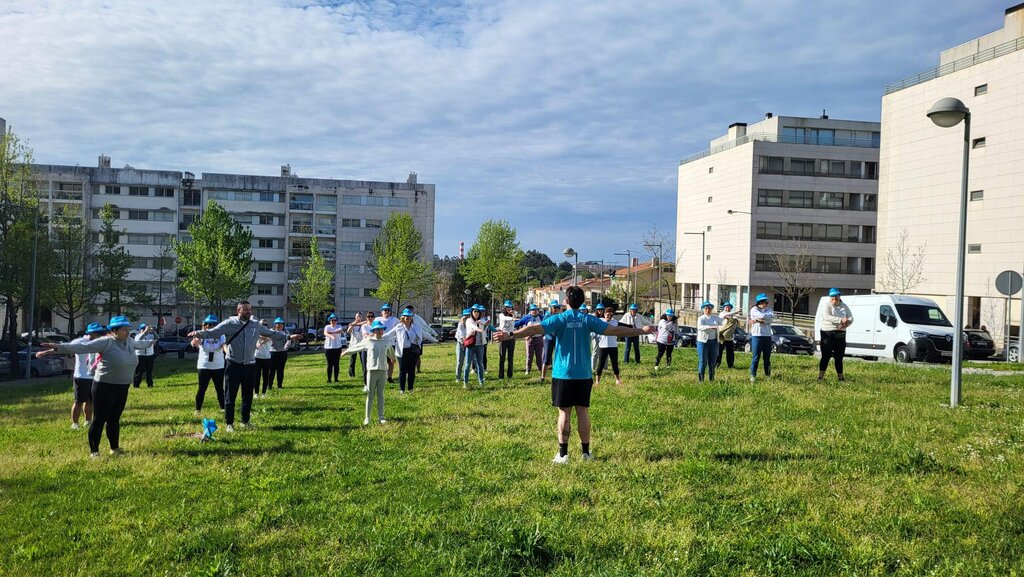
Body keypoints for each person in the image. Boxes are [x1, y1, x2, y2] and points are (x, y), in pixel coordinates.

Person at [494, 286, 655, 464]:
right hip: (583, 374)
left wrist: (510, 335)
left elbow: (533, 329)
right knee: (582, 412)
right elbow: (615, 331)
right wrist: (641, 331)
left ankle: (563, 455)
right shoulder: (588, 319)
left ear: (566, 301)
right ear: (583, 302)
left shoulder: (559, 318)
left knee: (564, 413)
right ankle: (586, 453)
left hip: (563, 374)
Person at [38, 316, 155, 457]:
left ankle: (115, 448)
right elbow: (83, 347)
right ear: (114, 331)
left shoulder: (129, 341)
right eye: (124, 329)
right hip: (104, 387)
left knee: (114, 419)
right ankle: (94, 451)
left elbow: (140, 344)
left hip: (122, 387)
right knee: (99, 419)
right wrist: (59, 347)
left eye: (128, 329)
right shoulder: (105, 342)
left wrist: (152, 341)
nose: (128, 332)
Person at [189, 301, 302, 432]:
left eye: (250, 309)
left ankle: (245, 421)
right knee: (230, 395)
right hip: (233, 364)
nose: (249, 312)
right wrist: (198, 333)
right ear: (239, 311)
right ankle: (229, 423)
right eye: (246, 310)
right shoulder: (229, 324)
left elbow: (272, 334)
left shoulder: (255, 325)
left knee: (247, 395)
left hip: (250, 366)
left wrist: (289, 336)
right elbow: (213, 332)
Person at [341, 319, 395, 425]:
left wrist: (393, 358)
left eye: (381, 329)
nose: (380, 331)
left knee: (381, 395)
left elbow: (391, 352)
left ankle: (381, 417)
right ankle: (367, 418)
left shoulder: (386, 341)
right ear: (373, 331)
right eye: (377, 330)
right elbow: (357, 347)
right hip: (371, 371)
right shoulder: (368, 341)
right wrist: (346, 351)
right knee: (370, 395)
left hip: (382, 371)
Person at [66, 323, 107, 429]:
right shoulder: (79, 342)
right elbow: (67, 350)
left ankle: (88, 421)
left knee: (90, 401)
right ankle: (75, 423)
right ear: (91, 334)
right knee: (78, 401)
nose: (100, 335)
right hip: (81, 376)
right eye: (98, 333)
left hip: (94, 376)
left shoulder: (99, 343)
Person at [388, 308, 437, 394]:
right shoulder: (399, 327)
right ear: (403, 317)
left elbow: (425, 334)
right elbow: (388, 334)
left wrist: (435, 340)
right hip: (402, 352)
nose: (407, 318)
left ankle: (410, 388)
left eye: (409, 316)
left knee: (411, 371)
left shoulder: (416, 327)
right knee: (402, 371)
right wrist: (377, 336)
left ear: (412, 317)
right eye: (406, 316)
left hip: (413, 351)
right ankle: (402, 389)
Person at [191, 315, 226, 415]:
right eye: (206, 324)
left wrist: (227, 351)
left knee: (220, 389)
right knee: (202, 388)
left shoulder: (221, 335)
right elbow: (195, 342)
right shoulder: (201, 334)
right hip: (204, 365)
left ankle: (223, 408)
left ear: (216, 325)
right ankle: (198, 410)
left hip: (218, 366)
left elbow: (224, 345)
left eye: (211, 324)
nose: (208, 326)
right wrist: (194, 343)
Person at [817, 288, 854, 381]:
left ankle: (840, 377)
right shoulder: (827, 305)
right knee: (826, 356)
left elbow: (851, 318)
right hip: (828, 332)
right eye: (832, 296)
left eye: (836, 296)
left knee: (839, 356)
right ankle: (821, 376)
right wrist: (840, 320)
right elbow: (827, 316)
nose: (834, 298)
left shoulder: (844, 306)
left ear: (839, 296)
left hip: (840, 332)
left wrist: (846, 324)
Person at [401, 304, 438, 374]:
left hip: (416, 341)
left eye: (411, 311)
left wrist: (434, 335)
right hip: (405, 343)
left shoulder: (417, 318)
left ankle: (418, 370)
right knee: (406, 357)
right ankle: (407, 370)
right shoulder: (402, 320)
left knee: (417, 356)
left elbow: (425, 327)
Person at [748, 293, 775, 382]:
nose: (767, 304)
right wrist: (763, 319)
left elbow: (771, 318)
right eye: (765, 302)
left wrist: (757, 320)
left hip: (767, 336)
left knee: (767, 358)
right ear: (760, 302)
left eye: (767, 302)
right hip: (757, 336)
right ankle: (753, 375)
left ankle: (767, 375)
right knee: (756, 357)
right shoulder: (754, 309)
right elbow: (763, 316)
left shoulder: (769, 310)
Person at [462, 305, 488, 388]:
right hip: (471, 345)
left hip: (480, 345)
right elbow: (472, 327)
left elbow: (485, 326)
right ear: (472, 312)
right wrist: (478, 329)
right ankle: (465, 383)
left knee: (480, 364)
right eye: (475, 311)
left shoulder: (481, 320)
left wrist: (484, 324)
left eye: (478, 311)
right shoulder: (469, 320)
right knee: (467, 364)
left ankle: (481, 382)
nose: (476, 313)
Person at [595, 305, 621, 386]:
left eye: (611, 315)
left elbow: (624, 326)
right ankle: (597, 381)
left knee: (615, 363)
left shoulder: (615, 322)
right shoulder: (600, 321)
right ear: (604, 314)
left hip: (613, 346)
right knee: (601, 364)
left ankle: (617, 380)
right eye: (608, 315)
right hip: (603, 346)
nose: (609, 316)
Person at [696, 301, 722, 383]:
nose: (708, 310)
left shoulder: (715, 318)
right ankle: (701, 380)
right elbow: (699, 327)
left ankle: (711, 380)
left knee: (712, 362)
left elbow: (723, 322)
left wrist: (728, 317)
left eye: (710, 308)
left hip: (713, 342)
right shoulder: (701, 318)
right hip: (703, 342)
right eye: (706, 308)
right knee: (703, 361)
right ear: (703, 309)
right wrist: (710, 327)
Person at [516, 304, 545, 375]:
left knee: (539, 355)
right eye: (533, 310)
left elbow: (546, 325)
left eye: (536, 310)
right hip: (530, 339)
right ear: (530, 311)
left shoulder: (542, 317)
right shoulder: (527, 318)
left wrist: (543, 335)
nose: (534, 311)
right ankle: (528, 370)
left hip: (539, 339)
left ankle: (540, 369)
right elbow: (518, 323)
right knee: (529, 355)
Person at [539, 299, 561, 383]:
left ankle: (557, 376)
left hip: (557, 338)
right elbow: (543, 326)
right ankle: (542, 377)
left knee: (558, 357)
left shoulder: (559, 316)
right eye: (554, 307)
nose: (556, 309)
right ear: (550, 308)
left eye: (557, 307)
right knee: (547, 358)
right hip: (548, 339)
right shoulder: (547, 316)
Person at [268, 317, 293, 390]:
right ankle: (269, 386)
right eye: (278, 323)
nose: (280, 325)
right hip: (272, 353)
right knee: (271, 370)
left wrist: (286, 347)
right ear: (275, 324)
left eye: (281, 323)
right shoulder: (271, 331)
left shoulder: (285, 331)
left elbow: (289, 340)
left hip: (282, 353)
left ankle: (279, 386)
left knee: (280, 370)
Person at [377, 304, 399, 382]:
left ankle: (389, 377)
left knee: (391, 362)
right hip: (380, 343)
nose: (386, 311)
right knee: (381, 362)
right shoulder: (377, 319)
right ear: (381, 312)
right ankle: (382, 377)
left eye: (388, 310)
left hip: (391, 343)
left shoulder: (394, 319)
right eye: (385, 310)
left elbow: (401, 325)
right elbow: (368, 323)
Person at [496, 300, 517, 380]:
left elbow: (515, 318)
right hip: (503, 337)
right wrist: (512, 318)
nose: (509, 309)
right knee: (502, 357)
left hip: (511, 337)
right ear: (504, 308)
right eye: (507, 307)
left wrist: (513, 315)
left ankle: (510, 375)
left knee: (510, 357)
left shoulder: (514, 314)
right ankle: (501, 376)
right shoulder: (501, 315)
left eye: (510, 307)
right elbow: (505, 318)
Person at [132, 323, 157, 388]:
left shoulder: (150, 336)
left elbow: (158, 338)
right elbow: (140, 339)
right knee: (139, 371)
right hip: (140, 355)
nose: (144, 330)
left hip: (150, 355)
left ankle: (150, 385)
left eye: (145, 329)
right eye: (143, 329)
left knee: (149, 371)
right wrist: (145, 332)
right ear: (140, 330)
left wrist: (153, 331)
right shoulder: (137, 336)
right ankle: (136, 385)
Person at [323, 313, 345, 383]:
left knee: (336, 364)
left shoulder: (339, 326)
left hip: (337, 348)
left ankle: (336, 379)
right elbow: (325, 333)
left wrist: (331, 333)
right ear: (330, 321)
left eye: (335, 320)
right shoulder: (327, 327)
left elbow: (340, 331)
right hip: (328, 348)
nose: (333, 321)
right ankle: (329, 380)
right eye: (332, 320)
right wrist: (331, 336)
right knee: (329, 364)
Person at [716, 302, 738, 369]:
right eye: (726, 307)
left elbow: (735, 321)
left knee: (730, 352)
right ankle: (716, 364)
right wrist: (733, 313)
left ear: (731, 308)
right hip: (721, 336)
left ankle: (730, 365)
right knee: (719, 351)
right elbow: (724, 315)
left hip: (729, 337)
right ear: (724, 308)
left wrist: (731, 317)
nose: (727, 308)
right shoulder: (721, 313)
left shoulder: (734, 316)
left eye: (729, 307)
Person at [255, 319, 273, 397]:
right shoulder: (256, 332)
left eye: (266, 324)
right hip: (257, 357)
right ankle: (256, 393)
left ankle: (263, 393)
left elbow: (267, 338)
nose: (264, 326)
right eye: (263, 324)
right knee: (257, 376)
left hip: (267, 358)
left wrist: (261, 342)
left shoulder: (269, 332)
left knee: (265, 376)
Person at [346, 312, 368, 379]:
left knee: (363, 360)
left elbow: (366, 321)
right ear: (355, 317)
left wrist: (356, 323)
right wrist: (353, 324)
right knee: (352, 360)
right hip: (354, 345)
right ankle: (351, 374)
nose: (358, 318)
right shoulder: (352, 324)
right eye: (357, 316)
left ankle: (365, 373)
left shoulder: (363, 324)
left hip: (361, 344)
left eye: (360, 317)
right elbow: (348, 331)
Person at [454, 308, 471, 383]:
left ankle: (465, 376)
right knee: (459, 361)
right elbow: (461, 335)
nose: (467, 317)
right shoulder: (460, 324)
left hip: (468, 344)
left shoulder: (470, 324)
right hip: (460, 344)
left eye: (468, 316)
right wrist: (466, 340)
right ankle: (458, 377)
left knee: (468, 362)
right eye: (466, 316)